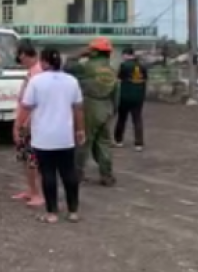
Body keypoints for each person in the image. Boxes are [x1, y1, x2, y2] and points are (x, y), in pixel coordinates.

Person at [16, 47, 85, 224]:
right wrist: (80, 130)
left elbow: (26, 107)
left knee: (48, 174)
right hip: (65, 136)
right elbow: (78, 108)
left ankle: (52, 213)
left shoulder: (36, 81)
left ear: (44, 62)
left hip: (43, 137)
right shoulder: (72, 81)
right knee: (69, 173)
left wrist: (18, 127)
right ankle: (73, 211)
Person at [66, 37, 118, 186]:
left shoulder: (85, 67)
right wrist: (113, 110)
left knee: (83, 140)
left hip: (90, 105)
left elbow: (68, 66)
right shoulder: (112, 70)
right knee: (103, 143)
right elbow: (116, 93)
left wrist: (78, 54)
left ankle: (77, 173)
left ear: (94, 52)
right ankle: (107, 175)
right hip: (106, 107)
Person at [11, 39, 45, 207]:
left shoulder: (38, 72)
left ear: (24, 54)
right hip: (24, 120)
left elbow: (36, 102)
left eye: (19, 56)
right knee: (25, 158)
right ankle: (31, 190)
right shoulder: (32, 71)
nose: (20, 60)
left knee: (32, 160)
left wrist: (25, 123)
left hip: (30, 122)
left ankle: (38, 193)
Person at [114, 47, 148, 151]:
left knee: (121, 119)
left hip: (125, 96)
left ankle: (119, 141)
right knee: (137, 119)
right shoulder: (142, 66)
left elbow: (118, 79)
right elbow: (145, 79)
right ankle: (139, 144)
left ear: (126, 54)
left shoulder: (124, 65)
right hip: (138, 97)